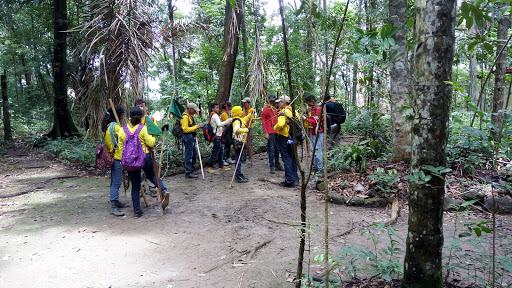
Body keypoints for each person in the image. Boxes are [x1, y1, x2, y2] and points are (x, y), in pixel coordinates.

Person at [118, 107, 168, 218]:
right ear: (141, 116)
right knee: (152, 175)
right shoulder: (143, 128)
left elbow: (121, 148)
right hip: (145, 157)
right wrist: (153, 134)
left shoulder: (122, 130)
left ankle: (137, 211)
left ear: (129, 116)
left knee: (135, 185)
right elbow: (150, 143)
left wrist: (123, 162)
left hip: (130, 161)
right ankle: (163, 191)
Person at [101, 105, 130, 216]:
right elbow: (126, 138)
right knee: (116, 182)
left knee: (115, 180)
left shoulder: (109, 126)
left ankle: (116, 201)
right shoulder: (115, 127)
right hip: (117, 158)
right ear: (118, 115)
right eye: (122, 115)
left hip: (115, 157)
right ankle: (114, 205)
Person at [134, 98, 159, 197]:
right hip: (136, 149)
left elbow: (155, 132)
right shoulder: (133, 119)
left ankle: (152, 187)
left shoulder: (151, 119)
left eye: (142, 106)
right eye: (138, 106)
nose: (140, 108)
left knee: (151, 169)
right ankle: (141, 188)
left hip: (149, 148)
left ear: (146, 107)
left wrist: (151, 143)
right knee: (139, 170)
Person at [274, 95, 300, 187]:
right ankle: (295, 178)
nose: (278, 104)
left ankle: (289, 180)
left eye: (280, 102)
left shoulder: (283, 112)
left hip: (285, 137)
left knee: (286, 158)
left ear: (284, 102)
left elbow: (280, 124)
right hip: (293, 138)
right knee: (293, 157)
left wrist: (275, 127)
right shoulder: (294, 111)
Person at [261, 94, 284, 174]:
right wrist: (266, 132)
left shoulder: (278, 108)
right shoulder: (266, 109)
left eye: (273, 100)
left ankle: (277, 164)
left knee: (277, 149)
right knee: (271, 149)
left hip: (277, 131)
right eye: (270, 100)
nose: (272, 102)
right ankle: (272, 166)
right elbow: (263, 121)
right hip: (270, 132)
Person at [207, 103, 232, 173]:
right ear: (212, 109)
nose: (218, 109)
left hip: (219, 136)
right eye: (216, 107)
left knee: (221, 151)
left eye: (218, 107)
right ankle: (210, 166)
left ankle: (221, 165)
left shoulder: (215, 115)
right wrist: (229, 120)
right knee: (216, 151)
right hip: (216, 136)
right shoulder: (214, 115)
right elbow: (219, 124)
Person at [181, 102, 204, 178]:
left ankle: (191, 169)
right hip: (187, 137)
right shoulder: (184, 117)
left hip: (191, 137)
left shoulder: (190, 116)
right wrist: (196, 127)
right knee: (189, 154)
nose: (195, 112)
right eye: (194, 110)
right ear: (190, 109)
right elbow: (184, 129)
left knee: (194, 153)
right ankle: (188, 172)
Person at [305, 95, 325, 173]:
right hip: (312, 132)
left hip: (319, 132)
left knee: (318, 150)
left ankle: (320, 168)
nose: (308, 104)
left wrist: (307, 119)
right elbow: (311, 119)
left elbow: (316, 121)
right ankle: (314, 166)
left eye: (308, 103)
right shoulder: (311, 110)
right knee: (312, 149)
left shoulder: (319, 109)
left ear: (313, 102)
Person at [231, 106, 250, 183]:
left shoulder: (239, 120)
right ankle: (237, 176)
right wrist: (246, 130)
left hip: (240, 141)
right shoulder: (236, 121)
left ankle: (238, 173)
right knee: (238, 159)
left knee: (240, 158)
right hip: (238, 142)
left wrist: (251, 114)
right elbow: (236, 130)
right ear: (238, 112)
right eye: (241, 110)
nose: (242, 111)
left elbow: (244, 120)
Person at [241, 97, 260, 164]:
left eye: (245, 103)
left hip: (249, 128)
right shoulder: (243, 110)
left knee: (250, 143)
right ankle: (243, 158)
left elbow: (252, 121)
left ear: (248, 103)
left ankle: (250, 157)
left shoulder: (251, 110)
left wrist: (251, 115)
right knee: (244, 142)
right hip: (243, 128)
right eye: (243, 103)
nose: (244, 104)